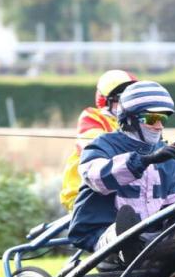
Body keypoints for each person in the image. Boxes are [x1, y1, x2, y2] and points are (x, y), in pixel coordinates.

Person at [68, 81, 175, 266]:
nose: (158, 126)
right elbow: (97, 178)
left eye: (162, 119)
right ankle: (124, 249)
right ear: (130, 119)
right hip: (101, 231)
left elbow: (172, 202)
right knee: (125, 228)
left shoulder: (167, 157)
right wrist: (144, 160)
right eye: (150, 119)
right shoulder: (103, 144)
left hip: (151, 235)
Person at [59, 69, 138, 212]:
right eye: (122, 99)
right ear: (105, 100)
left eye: (131, 98)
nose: (127, 104)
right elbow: (95, 148)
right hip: (86, 194)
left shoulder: (137, 123)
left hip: (121, 194)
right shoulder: (92, 117)